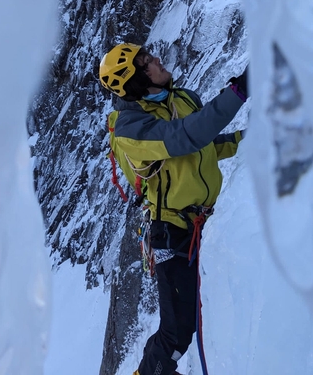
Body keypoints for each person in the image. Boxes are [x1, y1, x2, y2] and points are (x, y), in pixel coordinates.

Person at [99, 43, 248, 375]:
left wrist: (249, 138)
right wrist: (239, 91)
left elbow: (207, 145)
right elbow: (187, 137)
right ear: (135, 80)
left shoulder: (182, 99)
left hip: (204, 225)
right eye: (146, 61)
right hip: (172, 233)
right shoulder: (130, 130)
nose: (156, 60)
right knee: (178, 333)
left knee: (196, 320)